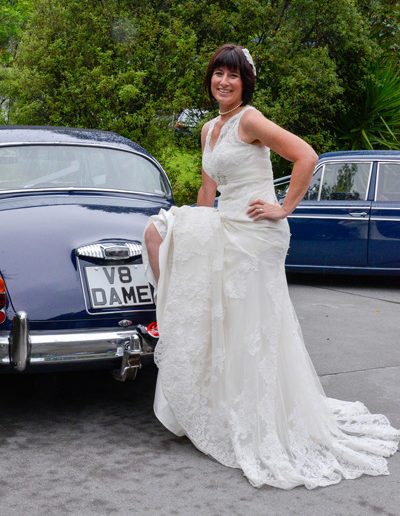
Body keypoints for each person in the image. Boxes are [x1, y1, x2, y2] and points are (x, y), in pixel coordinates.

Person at [143, 44, 399, 489]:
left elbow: (306, 155)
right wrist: (197, 229)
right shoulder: (209, 128)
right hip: (226, 225)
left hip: (257, 232)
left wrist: (285, 208)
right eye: (218, 74)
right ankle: (183, 334)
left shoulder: (251, 119)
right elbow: (208, 190)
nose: (223, 82)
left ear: (245, 83)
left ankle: (259, 417)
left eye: (233, 76)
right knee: (160, 234)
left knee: (251, 326)